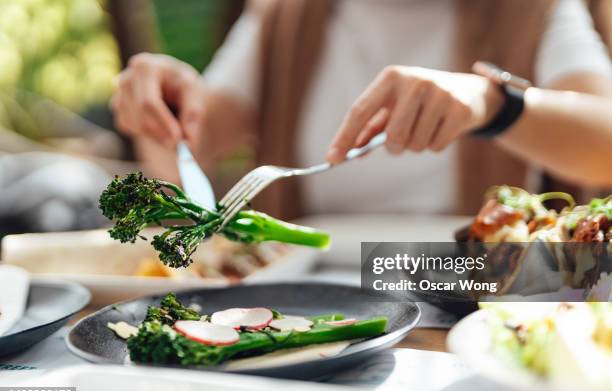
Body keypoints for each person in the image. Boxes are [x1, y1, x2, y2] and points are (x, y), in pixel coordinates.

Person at [112, 0, 612, 219]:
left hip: (469, 290)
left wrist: (494, 104)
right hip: (310, 299)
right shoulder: (284, 16)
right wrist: (160, 109)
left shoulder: (531, 9)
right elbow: (185, 157)